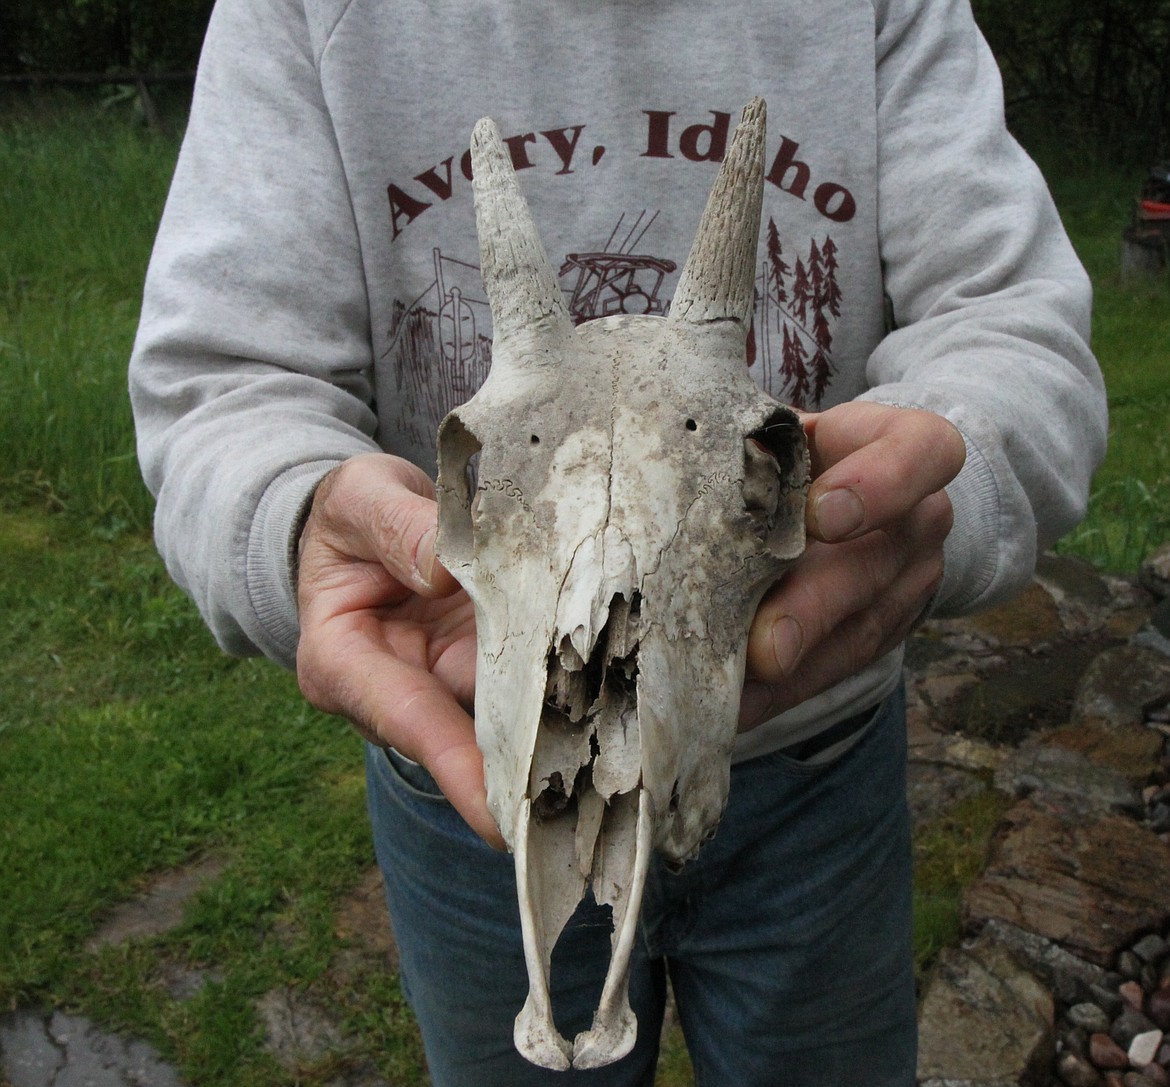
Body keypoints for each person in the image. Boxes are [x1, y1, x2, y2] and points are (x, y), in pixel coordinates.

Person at [129, 0, 1108, 1083]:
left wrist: (937, 494)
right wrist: (292, 515)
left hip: (820, 775)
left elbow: (1013, 325)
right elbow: (223, 381)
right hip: (470, 782)